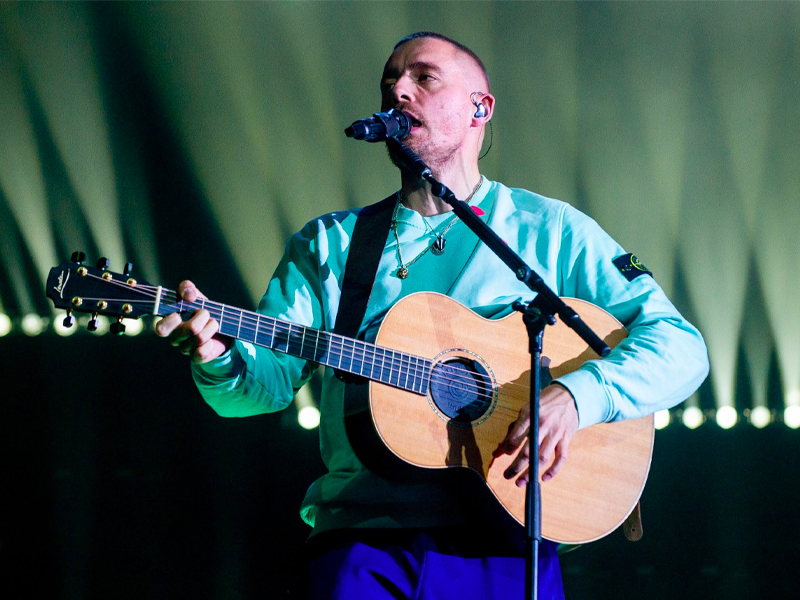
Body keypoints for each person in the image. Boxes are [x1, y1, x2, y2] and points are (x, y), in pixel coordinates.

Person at [156, 32, 709, 599]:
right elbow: (262, 388)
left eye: (423, 77)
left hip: (508, 543)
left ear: (480, 107)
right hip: (361, 546)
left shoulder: (552, 230)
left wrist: (579, 395)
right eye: (390, 81)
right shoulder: (332, 244)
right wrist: (217, 356)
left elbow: (680, 346)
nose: (398, 89)